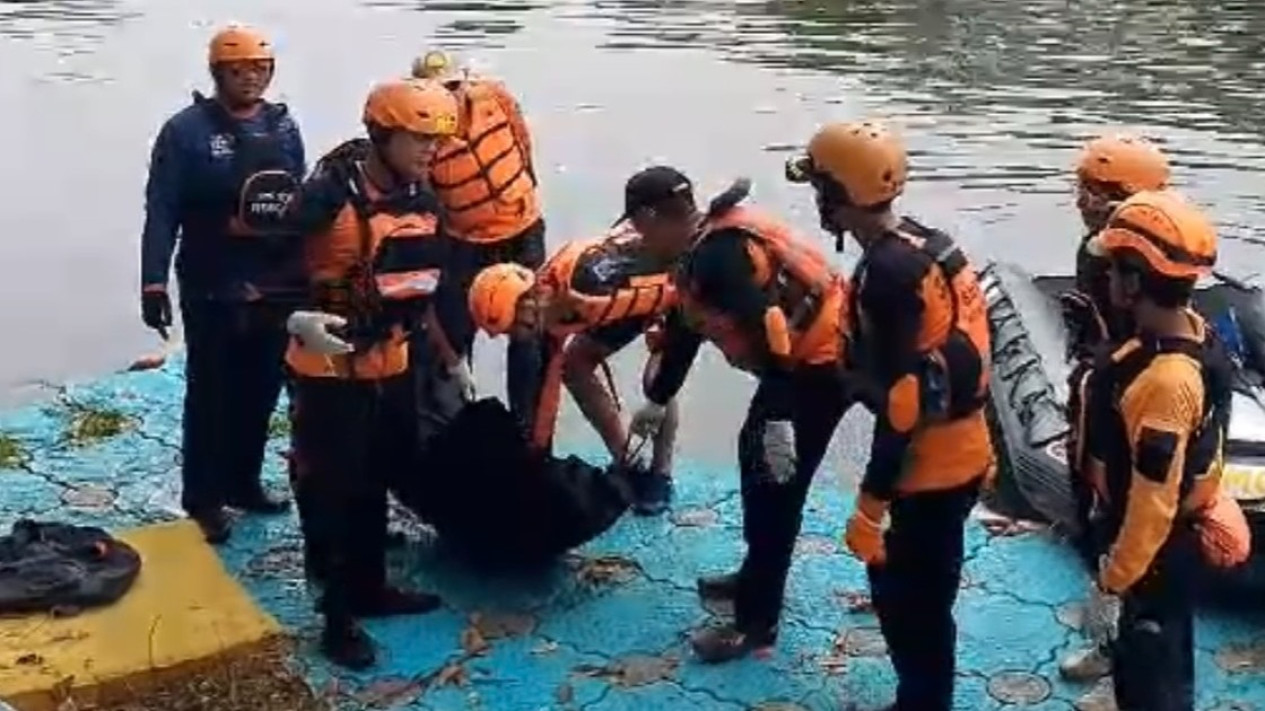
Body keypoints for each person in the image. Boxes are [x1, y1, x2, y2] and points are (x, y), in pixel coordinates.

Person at [785, 120, 994, 711]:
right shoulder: (928, 243)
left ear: (837, 194)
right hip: (969, 448)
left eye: (819, 188)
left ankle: (923, 704)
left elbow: (902, 407)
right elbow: (967, 344)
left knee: (911, 602)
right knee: (926, 589)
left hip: (929, 469)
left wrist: (872, 504)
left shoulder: (886, 277)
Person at [626, 173, 852, 663]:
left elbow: (772, 329)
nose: (641, 242)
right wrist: (659, 399)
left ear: (650, 218)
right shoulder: (703, 248)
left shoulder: (718, 256)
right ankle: (754, 578)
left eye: (640, 230)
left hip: (821, 366)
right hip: (797, 368)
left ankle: (756, 623)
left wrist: (779, 418)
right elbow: (687, 329)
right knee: (755, 468)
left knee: (775, 490)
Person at [282, 78, 462, 669]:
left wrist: (450, 358)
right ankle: (336, 619)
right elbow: (265, 263)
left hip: (395, 361)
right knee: (335, 488)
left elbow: (429, 284)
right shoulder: (327, 196)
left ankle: (372, 587)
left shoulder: (423, 198)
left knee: (379, 477)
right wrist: (296, 316)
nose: (430, 151)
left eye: (437, 141)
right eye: (419, 139)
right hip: (328, 364)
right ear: (382, 135)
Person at [140, 24, 306, 543]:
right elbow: (162, 209)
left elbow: (300, 201)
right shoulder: (184, 132)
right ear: (218, 74)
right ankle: (204, 497)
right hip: (211, 280)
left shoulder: (284, 128)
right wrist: (153, 281)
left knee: (261, 389)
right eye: (240, 69)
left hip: (274, 282)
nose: (252, 77)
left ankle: (244, 482)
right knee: (210, 394)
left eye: (260, 68)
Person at [466, 166, 701, 515]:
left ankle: (660, 473)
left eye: (521, 326)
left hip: (668, 296)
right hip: (626, 300)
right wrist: (533, 457)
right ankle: (628, 462)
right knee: (575, 365)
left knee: (660, 379)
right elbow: (537, 398)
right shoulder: (537, 314)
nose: (520, 335)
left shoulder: (590, 281)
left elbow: (682, 335)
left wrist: (660, 382)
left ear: (534, 302)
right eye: (513, 334)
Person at [1080, 189, 1230, 711]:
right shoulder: (1193, 333)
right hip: (1167, 553)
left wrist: (1113, 582)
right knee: (1162, 662)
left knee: (1151, 679)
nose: (1108, 279)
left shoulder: (1164, 384)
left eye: (1117, 269)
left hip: (1154, 559)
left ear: (1135, 281)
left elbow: (1152, 503)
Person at [1058, 133, 1171, 680]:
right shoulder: (1096, 254)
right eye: (1082, 188)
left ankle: (1118, 649)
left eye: (1098, 192)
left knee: (1128, 533)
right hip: (1099, 397)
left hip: (1133, 415)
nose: (1083, 200)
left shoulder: (1151, 276)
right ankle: (1113, 635)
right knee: (1096, 524)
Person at [410, 49, 545, 427]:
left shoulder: (495, 98)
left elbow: (522, 141)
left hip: (522, 232)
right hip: (463, 242)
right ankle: (447, 427)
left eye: (452, 87)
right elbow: (422, 194)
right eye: (435, 92)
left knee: (529, 335)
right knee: (452, 336)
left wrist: (523, 193)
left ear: (463, 82)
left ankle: (528, 430)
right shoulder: (420, 135)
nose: (446, 98)